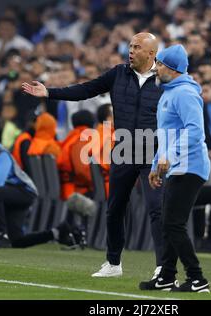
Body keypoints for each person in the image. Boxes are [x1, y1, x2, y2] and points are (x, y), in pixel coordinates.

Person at [22, 33, 165, 279]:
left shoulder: (165, 79)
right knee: (115, 207)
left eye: (137, 47)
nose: (130, 51)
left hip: (153, 150)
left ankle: (163, 266)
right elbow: (86, 89)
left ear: (152, 54)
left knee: (157, 208)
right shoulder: (118, 73)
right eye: (130, 46)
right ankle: (113, 263)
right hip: (124, 149)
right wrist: (49, 93)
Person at [139, 44, 211, 293]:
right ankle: (167, 276)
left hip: (190, 166)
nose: (155, 68)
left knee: (172, 224)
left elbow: (195, 130)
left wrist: (170, 155)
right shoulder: (170, 92)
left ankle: (197, 278)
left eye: (159, 64)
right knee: (169, 222)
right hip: (178, 165)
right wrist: (155, 165)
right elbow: (167, 135)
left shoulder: (184, 94)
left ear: (172, 68)